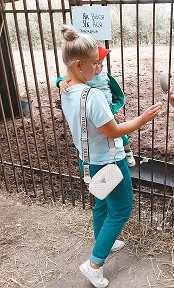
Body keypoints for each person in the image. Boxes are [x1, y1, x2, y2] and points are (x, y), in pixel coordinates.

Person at [60, 24, 163, 288]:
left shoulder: (67, 90)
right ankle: (94, 264)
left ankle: (105, 240)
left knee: (103, 205)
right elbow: (113, 131)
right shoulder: (93, 95)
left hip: (89, 160)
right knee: (121, 210)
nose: (98, 68)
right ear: (80, 64)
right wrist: (144, 118)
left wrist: (108, 116)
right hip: (110, 161)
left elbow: (94, 123)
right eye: (95, 64)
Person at [56, 45, 136, 167]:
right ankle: (114, 157)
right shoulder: (86, 82)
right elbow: (64, 79)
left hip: (107, 110)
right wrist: (60, 83)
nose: (101, 66)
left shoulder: (104, 76)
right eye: (96, 63)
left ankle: (128, 152)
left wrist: (114, 109)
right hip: (94, 113)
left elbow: (115, 93)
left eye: (100, 63)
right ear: (81, 65)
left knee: (120, 136)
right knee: (110, 134)